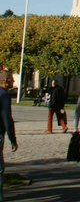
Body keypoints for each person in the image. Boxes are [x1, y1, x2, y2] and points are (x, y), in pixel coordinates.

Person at [0, 70, 18, 202]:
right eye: (12, 79)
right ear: (5, 81)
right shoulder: (4, 95)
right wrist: (13, 139)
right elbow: (7, 118)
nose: (13, 81)